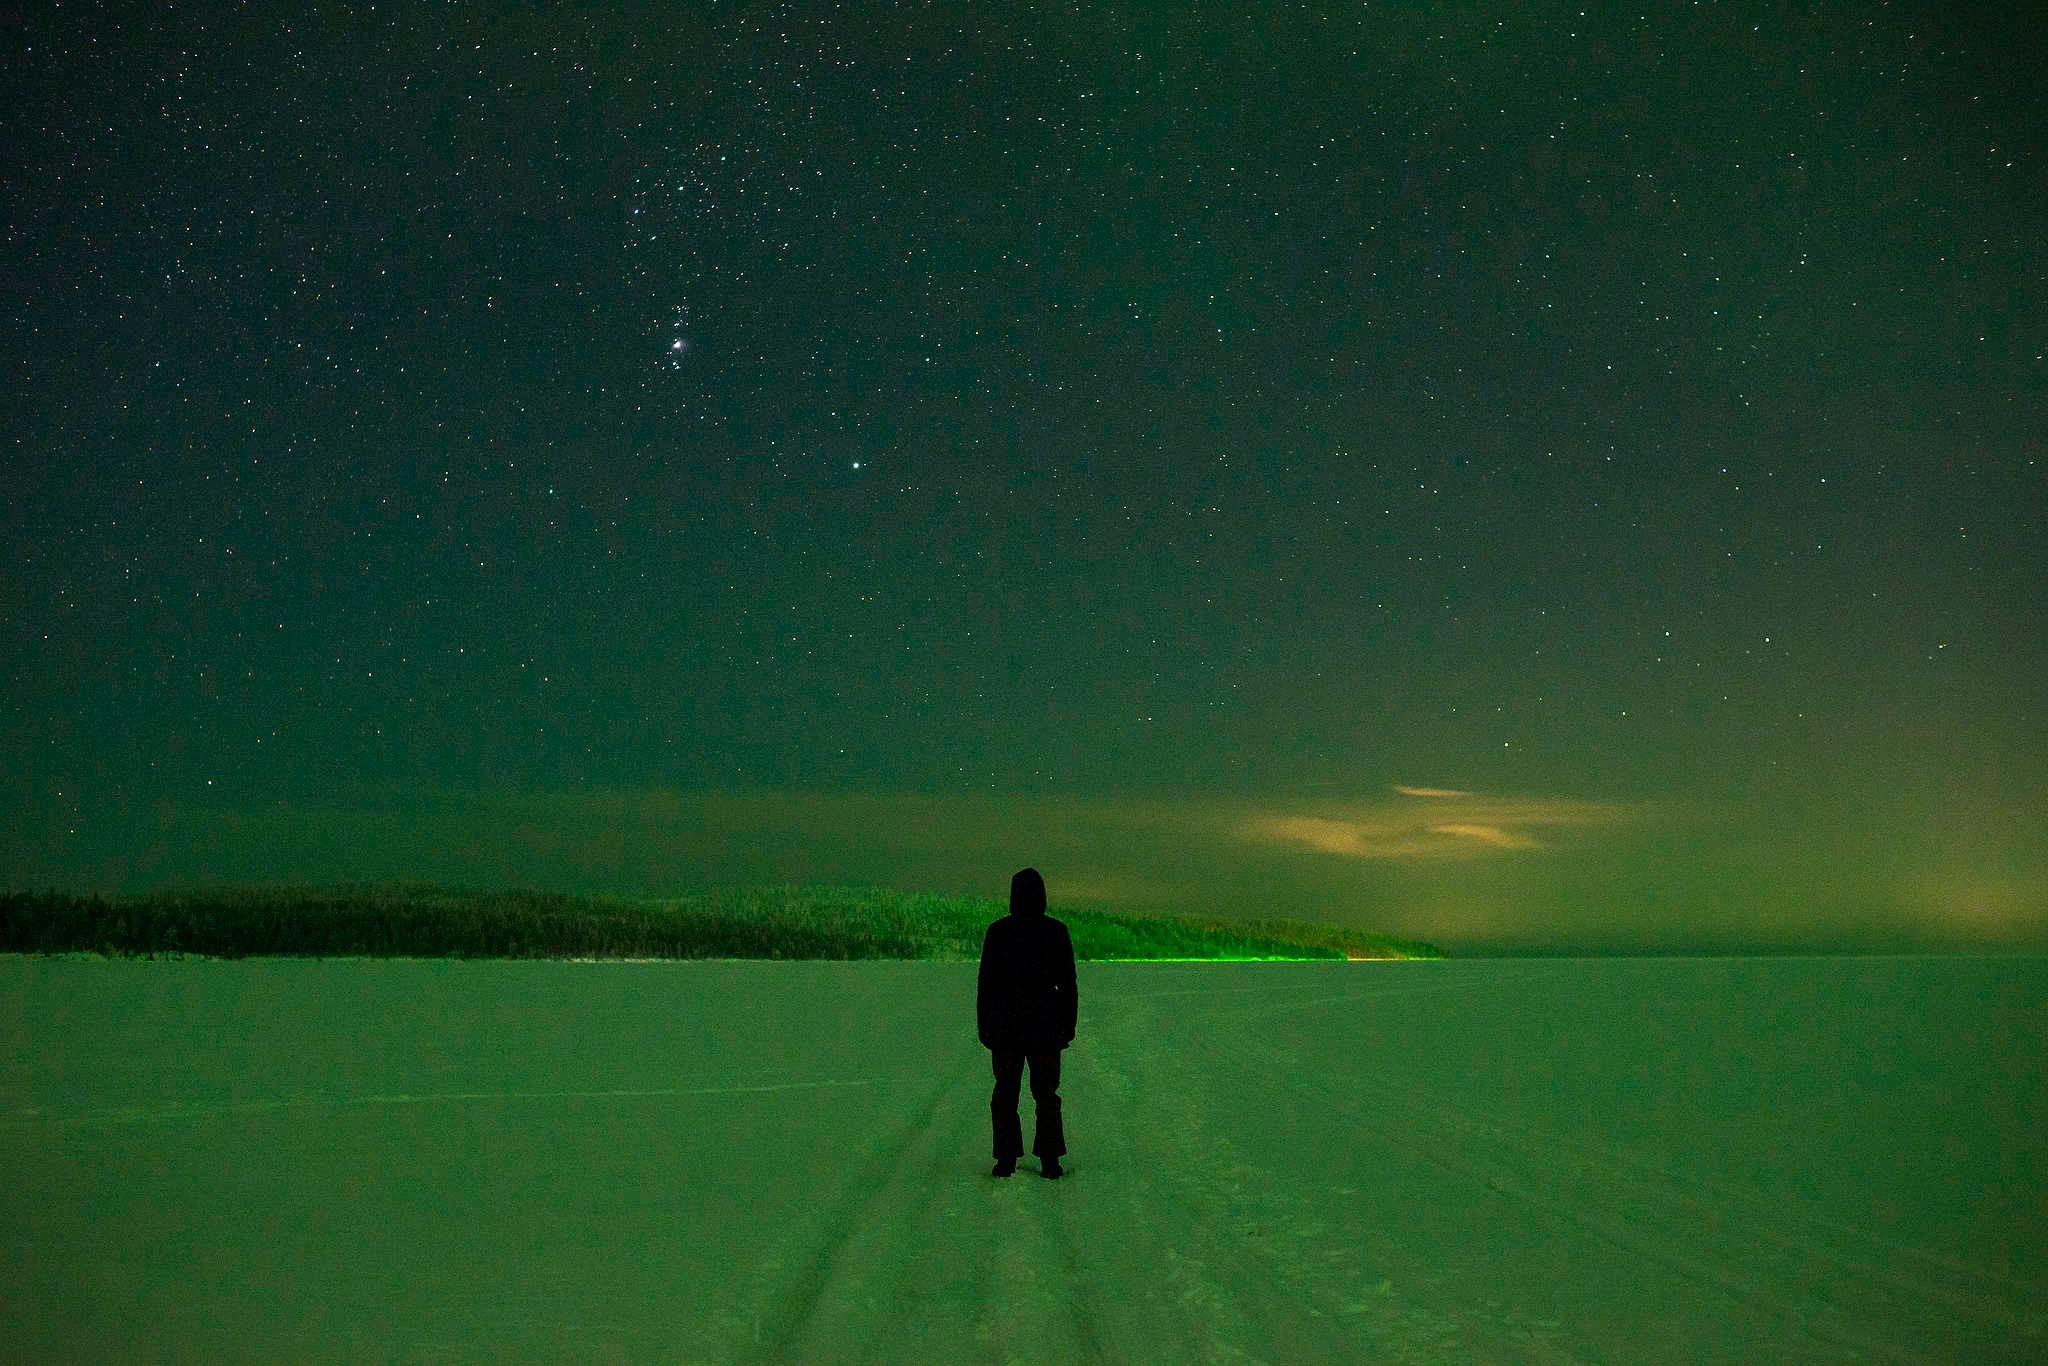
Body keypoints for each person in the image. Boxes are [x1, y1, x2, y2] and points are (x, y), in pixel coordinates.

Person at [977, 867, 1078, 1179]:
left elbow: (986, 984)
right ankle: (1049, 1160)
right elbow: (1069, 984)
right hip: (1045, 1026)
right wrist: (1068, 1024)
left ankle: (1006, 1158)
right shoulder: (1056, 931)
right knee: (1046, 1093)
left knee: (1005, 1092)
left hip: (1007, 1026)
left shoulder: (998, 931)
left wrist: (984, 1026)